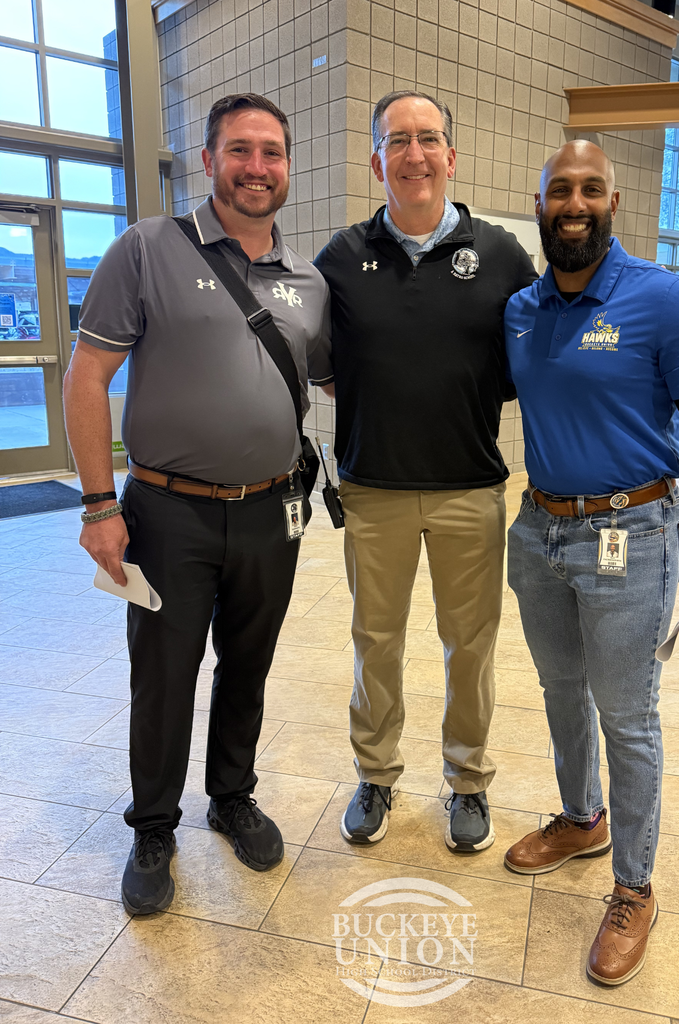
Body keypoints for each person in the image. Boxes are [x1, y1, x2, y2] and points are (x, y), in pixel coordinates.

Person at [63, 93, 332, 916]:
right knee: (165, 675)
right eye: (240, 150)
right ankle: (152, 826)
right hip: (166, 512)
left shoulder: (308, 281)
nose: (258, 167)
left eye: (273, 152)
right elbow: (86, 377)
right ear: (208, 159)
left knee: (247, 665)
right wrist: (98, 505)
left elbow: (332, 381)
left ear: (289, 165)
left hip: (271, 509)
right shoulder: (147, 248)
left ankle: (232, 796)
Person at [502, 140, 679, 984]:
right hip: (538, 533)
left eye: (590, 190)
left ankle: (634, 887)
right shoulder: (522, 310)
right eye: (558, 191)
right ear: (538, 206)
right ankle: (580, 818)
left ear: (614, 203)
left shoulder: (664, 302)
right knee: (559, 690)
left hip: (629, 536)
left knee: (626, 714)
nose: (574, 203)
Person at [314, 91, 538, 853]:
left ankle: (468, 782)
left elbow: (525, 366)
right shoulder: (340, 258)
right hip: (372, 489)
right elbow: (323, 364)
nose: (414, 154)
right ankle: (375, 773)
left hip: (470, 488)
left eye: (428, 138)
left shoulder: (503, 255)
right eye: (397, 141)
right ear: (376, 160)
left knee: (468, 644)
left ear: (451, 156)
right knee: (374, 640)